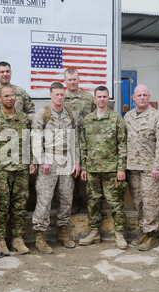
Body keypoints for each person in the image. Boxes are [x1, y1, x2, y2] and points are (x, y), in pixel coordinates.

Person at [0, 86, 36, 255]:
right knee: (1, 206)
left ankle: (17, 239)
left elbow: (29, 141)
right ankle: (0, 240)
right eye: (6, 96)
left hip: (20, 168)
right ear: (0, 99)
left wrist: (32, 161)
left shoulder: (24, 118)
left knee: (19, 205)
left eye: (12, 95)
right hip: (1, 169)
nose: (10, 98)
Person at [31, 82, 81, 254]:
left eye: (62, 94)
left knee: (66, 198)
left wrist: (77, 162)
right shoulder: (42, 114)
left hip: (67, 161)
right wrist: (42, 160)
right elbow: (36, 138)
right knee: (45, 199)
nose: (59, 97)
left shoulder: (70, 115)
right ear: (50, 95)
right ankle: (39, 236)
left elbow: (75, 140)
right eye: (57, 94)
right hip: (49, 161)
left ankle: (63, 232)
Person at [79, 86, 128, 249]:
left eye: (104, 97)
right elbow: (83, 145)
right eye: (98, 97)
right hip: (92, 169)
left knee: (115, 203)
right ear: (94, 99)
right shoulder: (88, 119)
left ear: (108, 99)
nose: (101, 99)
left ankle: (119, 234)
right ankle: (94, 233)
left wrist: (121, 168)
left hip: (112, 169)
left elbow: (122, 144)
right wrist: (84, 167)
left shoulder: (116, 119)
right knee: (93, 202)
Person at [124, 84, 159, 251]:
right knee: (139, 202)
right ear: (133, 97)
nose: (142, 97)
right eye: (139, 95)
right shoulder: (127, 117)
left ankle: (152, 236)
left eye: (144, 95)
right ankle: (144, 231)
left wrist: (158, 166)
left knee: (151, 202)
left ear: (149, 96)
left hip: (151, 169)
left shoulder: (157, 117)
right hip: (133, 168)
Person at [64, 68, 97, 213]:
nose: (72, 82)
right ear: (65, 81)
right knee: (71, 173)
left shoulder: (88, 98)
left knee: (89, 171)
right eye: (69, 80)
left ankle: (94, 205)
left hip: (86, 140)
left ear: (79, 79)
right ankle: (74, 203)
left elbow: (96, 116)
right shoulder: (61, 97)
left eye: (74, 79)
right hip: (67, 142)